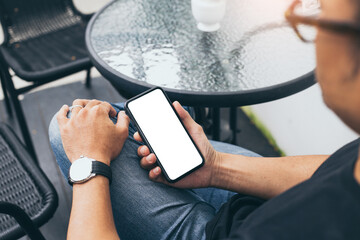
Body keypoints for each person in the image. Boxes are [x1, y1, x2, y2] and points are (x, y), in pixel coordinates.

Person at [48, 0, 360, 239]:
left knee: (68, 129)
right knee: (108, 121)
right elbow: (340, 169)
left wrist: (89, 162)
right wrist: (216, 167)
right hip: (261, 200)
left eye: (319, 15)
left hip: (218, 230)